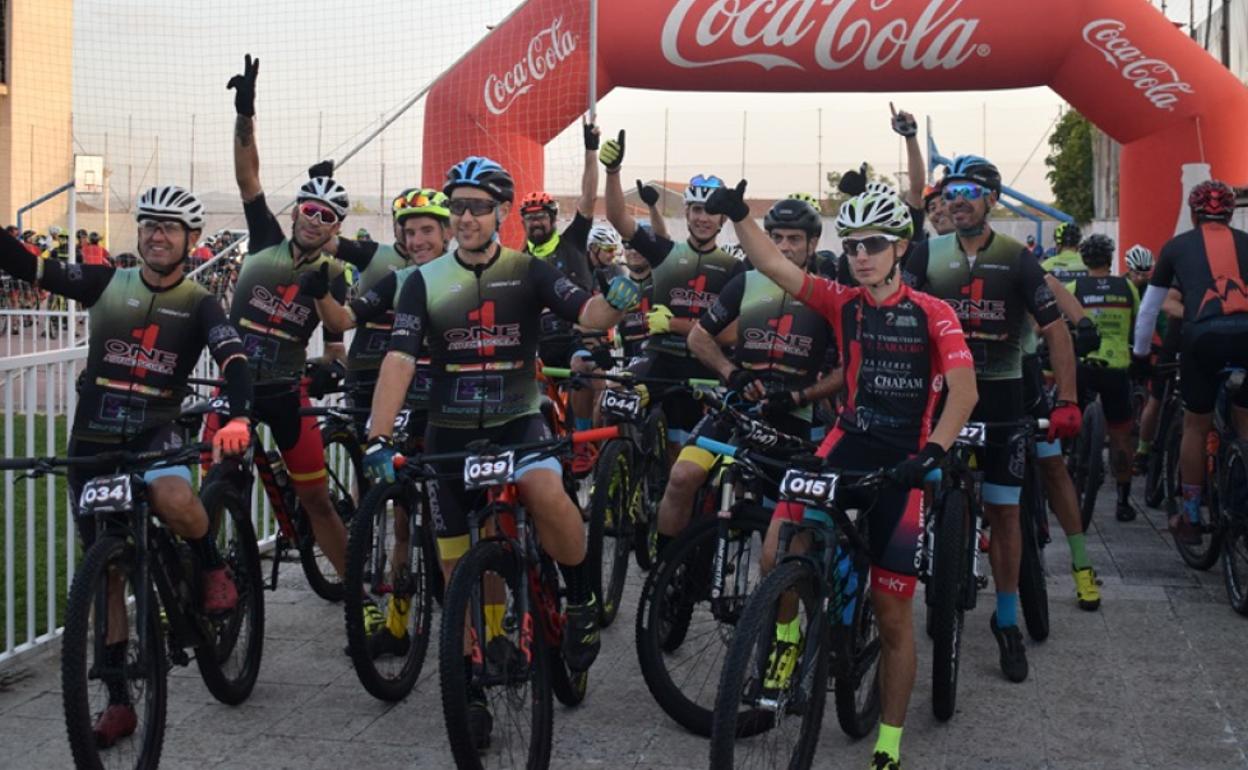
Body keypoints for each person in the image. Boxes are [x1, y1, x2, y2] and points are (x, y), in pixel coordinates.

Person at [363, 155, 640, 747]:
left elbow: (588, 312)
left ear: (502, 213)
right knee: (452, 566)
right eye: (457, 206)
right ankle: (470, 679)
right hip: (450, 432)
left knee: (545, 487)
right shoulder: (423, 281)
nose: (465, 217)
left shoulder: (529, 270)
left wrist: (618, 298)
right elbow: (400, 358)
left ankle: (582, 596)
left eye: (478, 208)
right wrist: (378, 435)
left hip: (518, 420)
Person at [708, 184, 977, 770]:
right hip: (844, 443)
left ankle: (888, 741)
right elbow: (773, 262)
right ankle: (783, 649)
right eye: (852, 244)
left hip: (904, 457)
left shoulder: (936, 313)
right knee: (779, 547)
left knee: (892, 611)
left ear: (900, 248)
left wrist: (932, 452)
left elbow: (964, 390)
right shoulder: (842, 302)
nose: (861, 255)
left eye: (874, 244)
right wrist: (738, 216)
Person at [0, 185, 254, 746]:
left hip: (156, 432)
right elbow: (29, 265)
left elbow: (235, 359)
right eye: (148, 225)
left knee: (174, 499)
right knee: (107, 574)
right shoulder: (105, 283)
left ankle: (210, 563)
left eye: (169, 227)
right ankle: (118, 701)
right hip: (92, 442)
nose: (157, 235)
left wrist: (239, 418)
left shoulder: (199, 300)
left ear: (190, 239)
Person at [901, 155, 1081, 683]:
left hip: (1003, 395)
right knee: (927, 487)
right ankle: (938, 555)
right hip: (942, 393)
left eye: (969, 191)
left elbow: (1055, 329)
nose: (957, 199)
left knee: (1004, 511)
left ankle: (1006, 620)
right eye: (951, 191)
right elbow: (900, 315)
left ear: (991, 200)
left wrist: (1067, 399)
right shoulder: (924, 253)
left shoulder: (1018, 258)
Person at [220, 53, 359, 599]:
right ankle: (213, 582)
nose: (314, 219)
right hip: (235, 388)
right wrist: (245, 113)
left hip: (285, 391)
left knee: (317, 500)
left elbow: (336, 336)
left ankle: (357, 599)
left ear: (335, 228)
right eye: (309, 208)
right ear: (297, 209)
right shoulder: (263, 240)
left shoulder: (335, 272)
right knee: (214, 484)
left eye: (327, 216)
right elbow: (247, 173)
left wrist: (331, 366)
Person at [309, 187, 452, 658]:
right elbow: (347, 317)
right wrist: (316, 289)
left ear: (447, 233)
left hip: (458, 409)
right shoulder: (399, 280)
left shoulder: (468, 278)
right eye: (409, 232)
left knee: (467, 521)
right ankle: (396, 625)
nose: (418, 240)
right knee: (404, 521)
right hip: (412, 405)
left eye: (427, 230)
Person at [657, 198, 842, 546]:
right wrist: (731, 373)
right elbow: (699, 338)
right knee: (682, 475)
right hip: (738, 408)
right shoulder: (746, 283)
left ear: (813, 243)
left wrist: (801, 396)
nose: (783, 247)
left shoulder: (826, 293)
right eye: (776, 238)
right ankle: (668, 582)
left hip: (794, 419)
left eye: (794, 239)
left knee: (784, 532)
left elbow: (849, 369)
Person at [601, 129, 749, 458]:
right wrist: (612, 172)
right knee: (613, 396)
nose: (702, 218)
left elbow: (732, 333)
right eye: (696, 209)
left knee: (685, 448)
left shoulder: (733, 268)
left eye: (710, 211)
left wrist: (676, 324)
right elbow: (617, 217)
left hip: (705, 366)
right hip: (658, 359)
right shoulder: (665, 252)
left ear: (722, 218)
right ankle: (622, 469)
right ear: (687, 213)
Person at [1132, 179, 1248, 544]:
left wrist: (1139, 356)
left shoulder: (1176, 247)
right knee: (1246, 425)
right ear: (1230, 214)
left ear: (1194, 214)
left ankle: (1192, 516)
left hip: (1202, 337)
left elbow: (1150, 309)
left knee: (1196, 426)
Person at [1068, 234, 1139, 522]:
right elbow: (1137, 323)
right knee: (1121, 436)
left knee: (1072, 422)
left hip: (1085, 366)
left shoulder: (1075, 287)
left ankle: (1074, 467)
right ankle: (1123, 502)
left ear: (1085, 261)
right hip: (1117, 368)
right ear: (1110, 260)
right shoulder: (1127, 287)